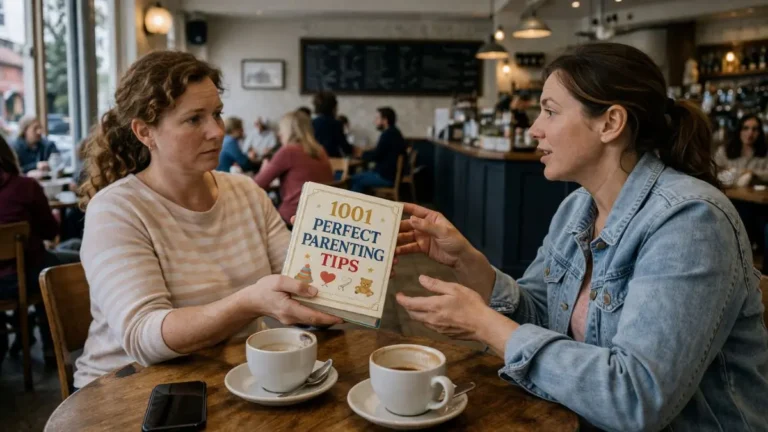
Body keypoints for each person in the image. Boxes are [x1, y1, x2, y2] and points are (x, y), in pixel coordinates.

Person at [394, 43, 768, 430]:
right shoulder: (578, 208)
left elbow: (637, 399)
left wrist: (484, 324)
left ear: (610, 123)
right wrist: (467, 261)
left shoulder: (691, 221)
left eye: (550, 111)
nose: (534, 128)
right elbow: (539, 318)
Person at [74, 51, 341, 389]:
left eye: (217, 114)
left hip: (229, 377)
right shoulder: (116, 210)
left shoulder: (245, 191)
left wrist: (350, 270)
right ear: (145, 132)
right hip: (128, 392)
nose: (217, 131)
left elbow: (300, 278)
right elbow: (143, 337)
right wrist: (247, 303)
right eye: (193, 119)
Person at [0, 136, 80, 363]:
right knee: (76, 263)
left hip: (6, 280)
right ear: (8, 155)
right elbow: (49, 231)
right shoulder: (25, 186)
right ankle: (53, 344)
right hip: (27, 273)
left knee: (67, 250)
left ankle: (22, 333)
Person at [254, 111, 333, 224]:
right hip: (320, 217)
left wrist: (264, 168)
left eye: (281, 129)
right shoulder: (321, 150)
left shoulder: (288, 151)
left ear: (288, 132)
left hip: (293, 218)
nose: (279, 133)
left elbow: (256, 185)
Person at [349, 107, 408, 193]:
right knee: (357, 177)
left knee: (354, 180)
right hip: (390, 175)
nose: (375, 121)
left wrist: (361, 154)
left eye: (377, 118)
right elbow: (380, 152)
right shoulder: (394, 132)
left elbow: (376, 155)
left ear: (385, 120)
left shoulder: (388, 134)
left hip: (386, 177)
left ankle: (355, 204)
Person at [714, 114, 768, 181]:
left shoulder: (765, 153)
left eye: (755, 129)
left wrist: (753, 173)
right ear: (739, 131)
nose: (750, 133)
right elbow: (714, 172)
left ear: (759, 133)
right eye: (745, 128)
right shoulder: (724, 151)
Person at [311, 92, 353, 158]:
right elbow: (345, 148)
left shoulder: (311, 123)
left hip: (315, 159)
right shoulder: (337, 124)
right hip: (333, 160)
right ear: (334, 107)